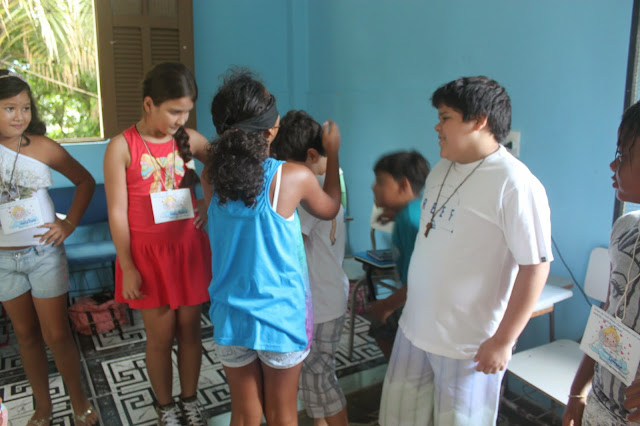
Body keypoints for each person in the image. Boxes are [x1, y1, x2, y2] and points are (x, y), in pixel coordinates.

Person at [378, 76, 552, 425]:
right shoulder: (441, 170)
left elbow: (535, 267)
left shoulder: (515, 184)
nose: (437, 127)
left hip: (467, 345)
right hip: (415, 329)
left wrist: (503, 341)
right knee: (399, 418)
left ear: (479, 120)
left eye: (445, 118)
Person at [201, 69, 342, 426]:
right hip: (280, 319)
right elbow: (330, 207)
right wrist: (334, 154)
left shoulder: (212, 177)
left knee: (245, 415)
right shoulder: (291, 177)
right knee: (281, 414)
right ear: (270, 129)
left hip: (230, 314)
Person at [103, 62, 211, 426]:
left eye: (186, 111)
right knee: (160, 337)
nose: (182, 119)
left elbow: (217, 165)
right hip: (147, 258)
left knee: (191, 331)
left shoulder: (189, 139)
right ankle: (165, 407)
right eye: (174, 111)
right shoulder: (122, 147)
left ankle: (189, 400)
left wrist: (208, 202)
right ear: (149, 104)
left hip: (188, 251)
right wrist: (127, 265)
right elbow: (117, 213)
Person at [0, 70, 97, 425]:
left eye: (25, 107)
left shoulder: (42, 146)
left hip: (44, 254)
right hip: (3, 261)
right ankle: (43, 407)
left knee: (56, 334)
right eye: (10, 108)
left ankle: (79, 401)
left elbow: (85, 180)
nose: (20, 116)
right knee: (26, 335)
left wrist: (68, 224)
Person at [270, 109, 350, 426]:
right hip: (327, 299)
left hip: (320, 306)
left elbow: (293, 250)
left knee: (319, 380)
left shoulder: (307, 189)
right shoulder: (328, 183)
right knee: (315, 380)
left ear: (312, 155)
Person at [563, 100, 640, 426]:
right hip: (600, 406)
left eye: (623, 154)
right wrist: (577, 391)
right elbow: (609, 314)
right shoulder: (626, 231)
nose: (612, 164)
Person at [367, 151, 430, 360]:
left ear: (403, 185)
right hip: (421, 300)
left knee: (380, 323)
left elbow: (420, 280)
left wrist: (386, 306)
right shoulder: (414, 209)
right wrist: (394, 214)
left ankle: (399, 368)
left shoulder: (408, 221)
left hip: (421, 303)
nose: (373, 187)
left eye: (380, 181)